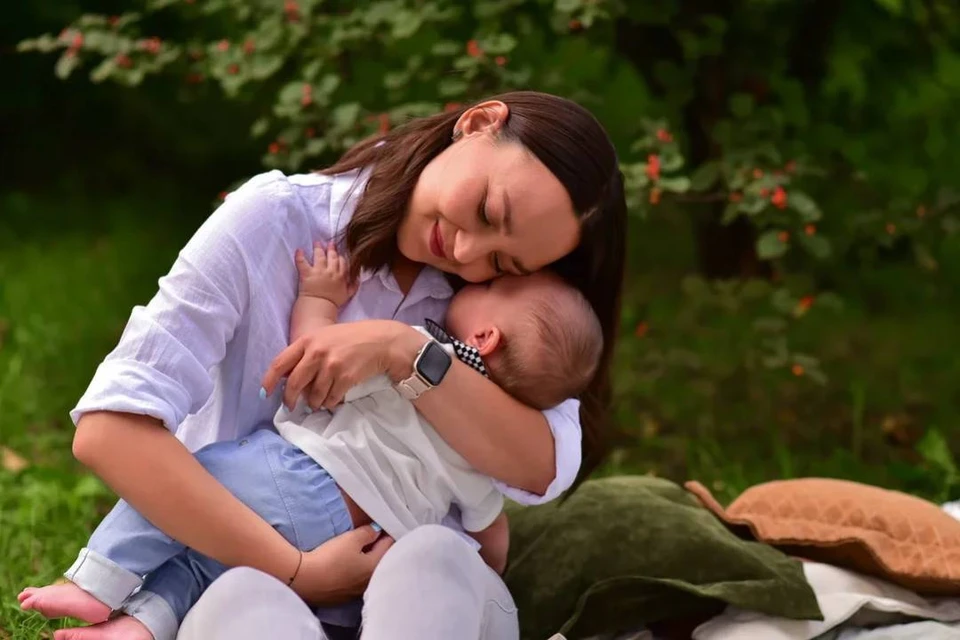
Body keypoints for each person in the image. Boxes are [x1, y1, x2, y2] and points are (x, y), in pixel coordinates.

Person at [26, 90, 626, 640]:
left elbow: (542, 465)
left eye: (505, 263)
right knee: (243, 598)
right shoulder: (279, 221)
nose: (468, 253)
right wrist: (298, 571)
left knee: (432, 559)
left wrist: (402, 350)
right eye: (489, 210)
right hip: (246, 564)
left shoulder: (495, 312)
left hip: (421, 599)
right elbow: (109, 431)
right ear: (477, 124)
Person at [20, 246, 604, 640]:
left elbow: (317, 357)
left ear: (485, 335)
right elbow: (490, 536)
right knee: (210, 561)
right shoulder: (483, 450)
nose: (477, 277)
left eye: (496, 282)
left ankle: (94, 582)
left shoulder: (425, 359)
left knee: (195, 490)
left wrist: (320, 299)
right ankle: (140, 628)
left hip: (307, 483)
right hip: (367, 544)